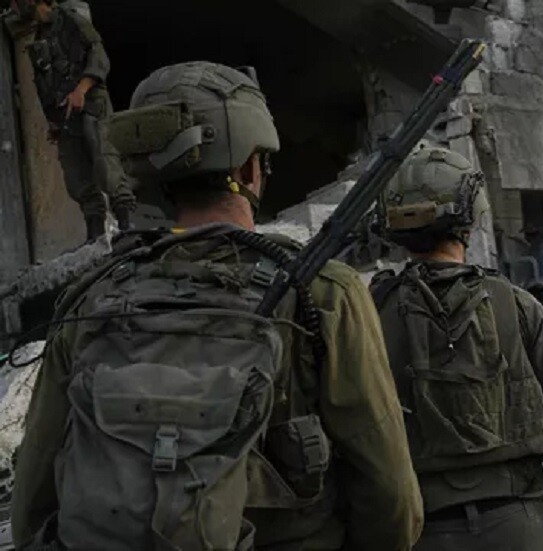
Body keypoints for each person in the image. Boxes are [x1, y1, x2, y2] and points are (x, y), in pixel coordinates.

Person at [12, 61, 423, 550]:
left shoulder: (92, 297)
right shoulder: (321, 292)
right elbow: (391, 500)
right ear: (250, 168)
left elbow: (33, 504)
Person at [370, 146, 543, 551]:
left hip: (417, 528)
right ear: (469, 218)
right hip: (519, 526)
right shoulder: (517, 305)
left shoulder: (368, 314)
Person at [11, 0, 135, 241]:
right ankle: (95, 236)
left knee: (106, 165)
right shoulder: (40, 36)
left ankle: (127, 226)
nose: (16, 8)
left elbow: (98, 56)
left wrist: (81, 90)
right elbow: (44, 85)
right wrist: (53, 122)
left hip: (90, 104)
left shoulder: (69, 20)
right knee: (77, 178)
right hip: (65, 116)